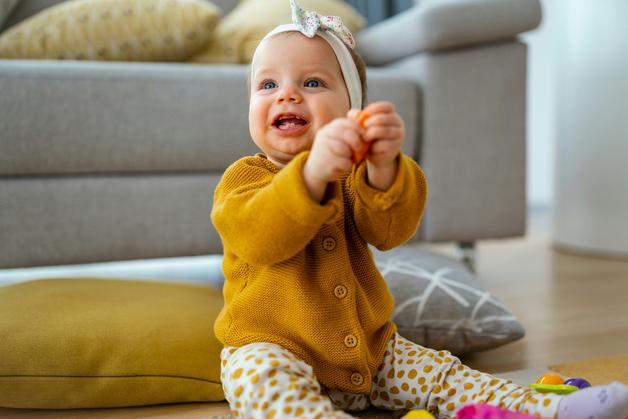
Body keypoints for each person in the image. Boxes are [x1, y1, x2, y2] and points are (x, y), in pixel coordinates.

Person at [210, 1, 628, 418]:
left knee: (444, 374)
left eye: (313, 83)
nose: (287, 94)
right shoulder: (244, 178)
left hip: (370, 354)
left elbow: (391, 231)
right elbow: (260, 236)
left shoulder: (356, 177)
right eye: (267, 85)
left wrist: (385, 166)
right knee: (261, 384)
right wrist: (311, 174)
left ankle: (551, 409)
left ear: (351, 110)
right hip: (271, 348)